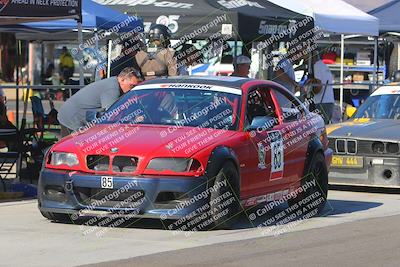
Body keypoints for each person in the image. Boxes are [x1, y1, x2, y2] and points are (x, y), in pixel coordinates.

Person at [57, 67, 140, 137]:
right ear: (122, 80)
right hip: (71, 118)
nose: (132, 89)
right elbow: (111, 116)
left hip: (70, 115)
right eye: (131, 86)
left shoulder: (113, 83)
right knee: (71, 152)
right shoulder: (112, 89)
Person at [311, 55, 335, 124]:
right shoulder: (324, 65)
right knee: (326, 126)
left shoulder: (316, 66)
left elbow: (319, 85)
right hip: (329, 101)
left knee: (320, 126)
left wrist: (311, 92)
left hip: (322, 102)